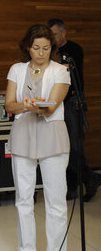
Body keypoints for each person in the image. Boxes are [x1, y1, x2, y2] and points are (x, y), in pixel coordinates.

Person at [5, 24, 70, 251]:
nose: (41, 53)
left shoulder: (61, 71)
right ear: (27, 48)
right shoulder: (16, 69)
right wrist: (27, 106)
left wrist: (31, 107)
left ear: (51, 48)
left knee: (56, 203)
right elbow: (9, 104)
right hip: (23, 135)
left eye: (45, 48)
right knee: (23, 201)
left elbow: (51, 108)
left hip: (52, 136)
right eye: (36, 48)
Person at [47, 18, 100, 201]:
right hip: (55, 104)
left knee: (75, 146)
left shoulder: (74, 50)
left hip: (72, 103)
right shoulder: (50, 51)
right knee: (62, 147)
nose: (52, 38)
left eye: (54, 34)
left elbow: (65, 73)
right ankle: (85, 179)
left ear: (63, 32)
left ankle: (83, 181)